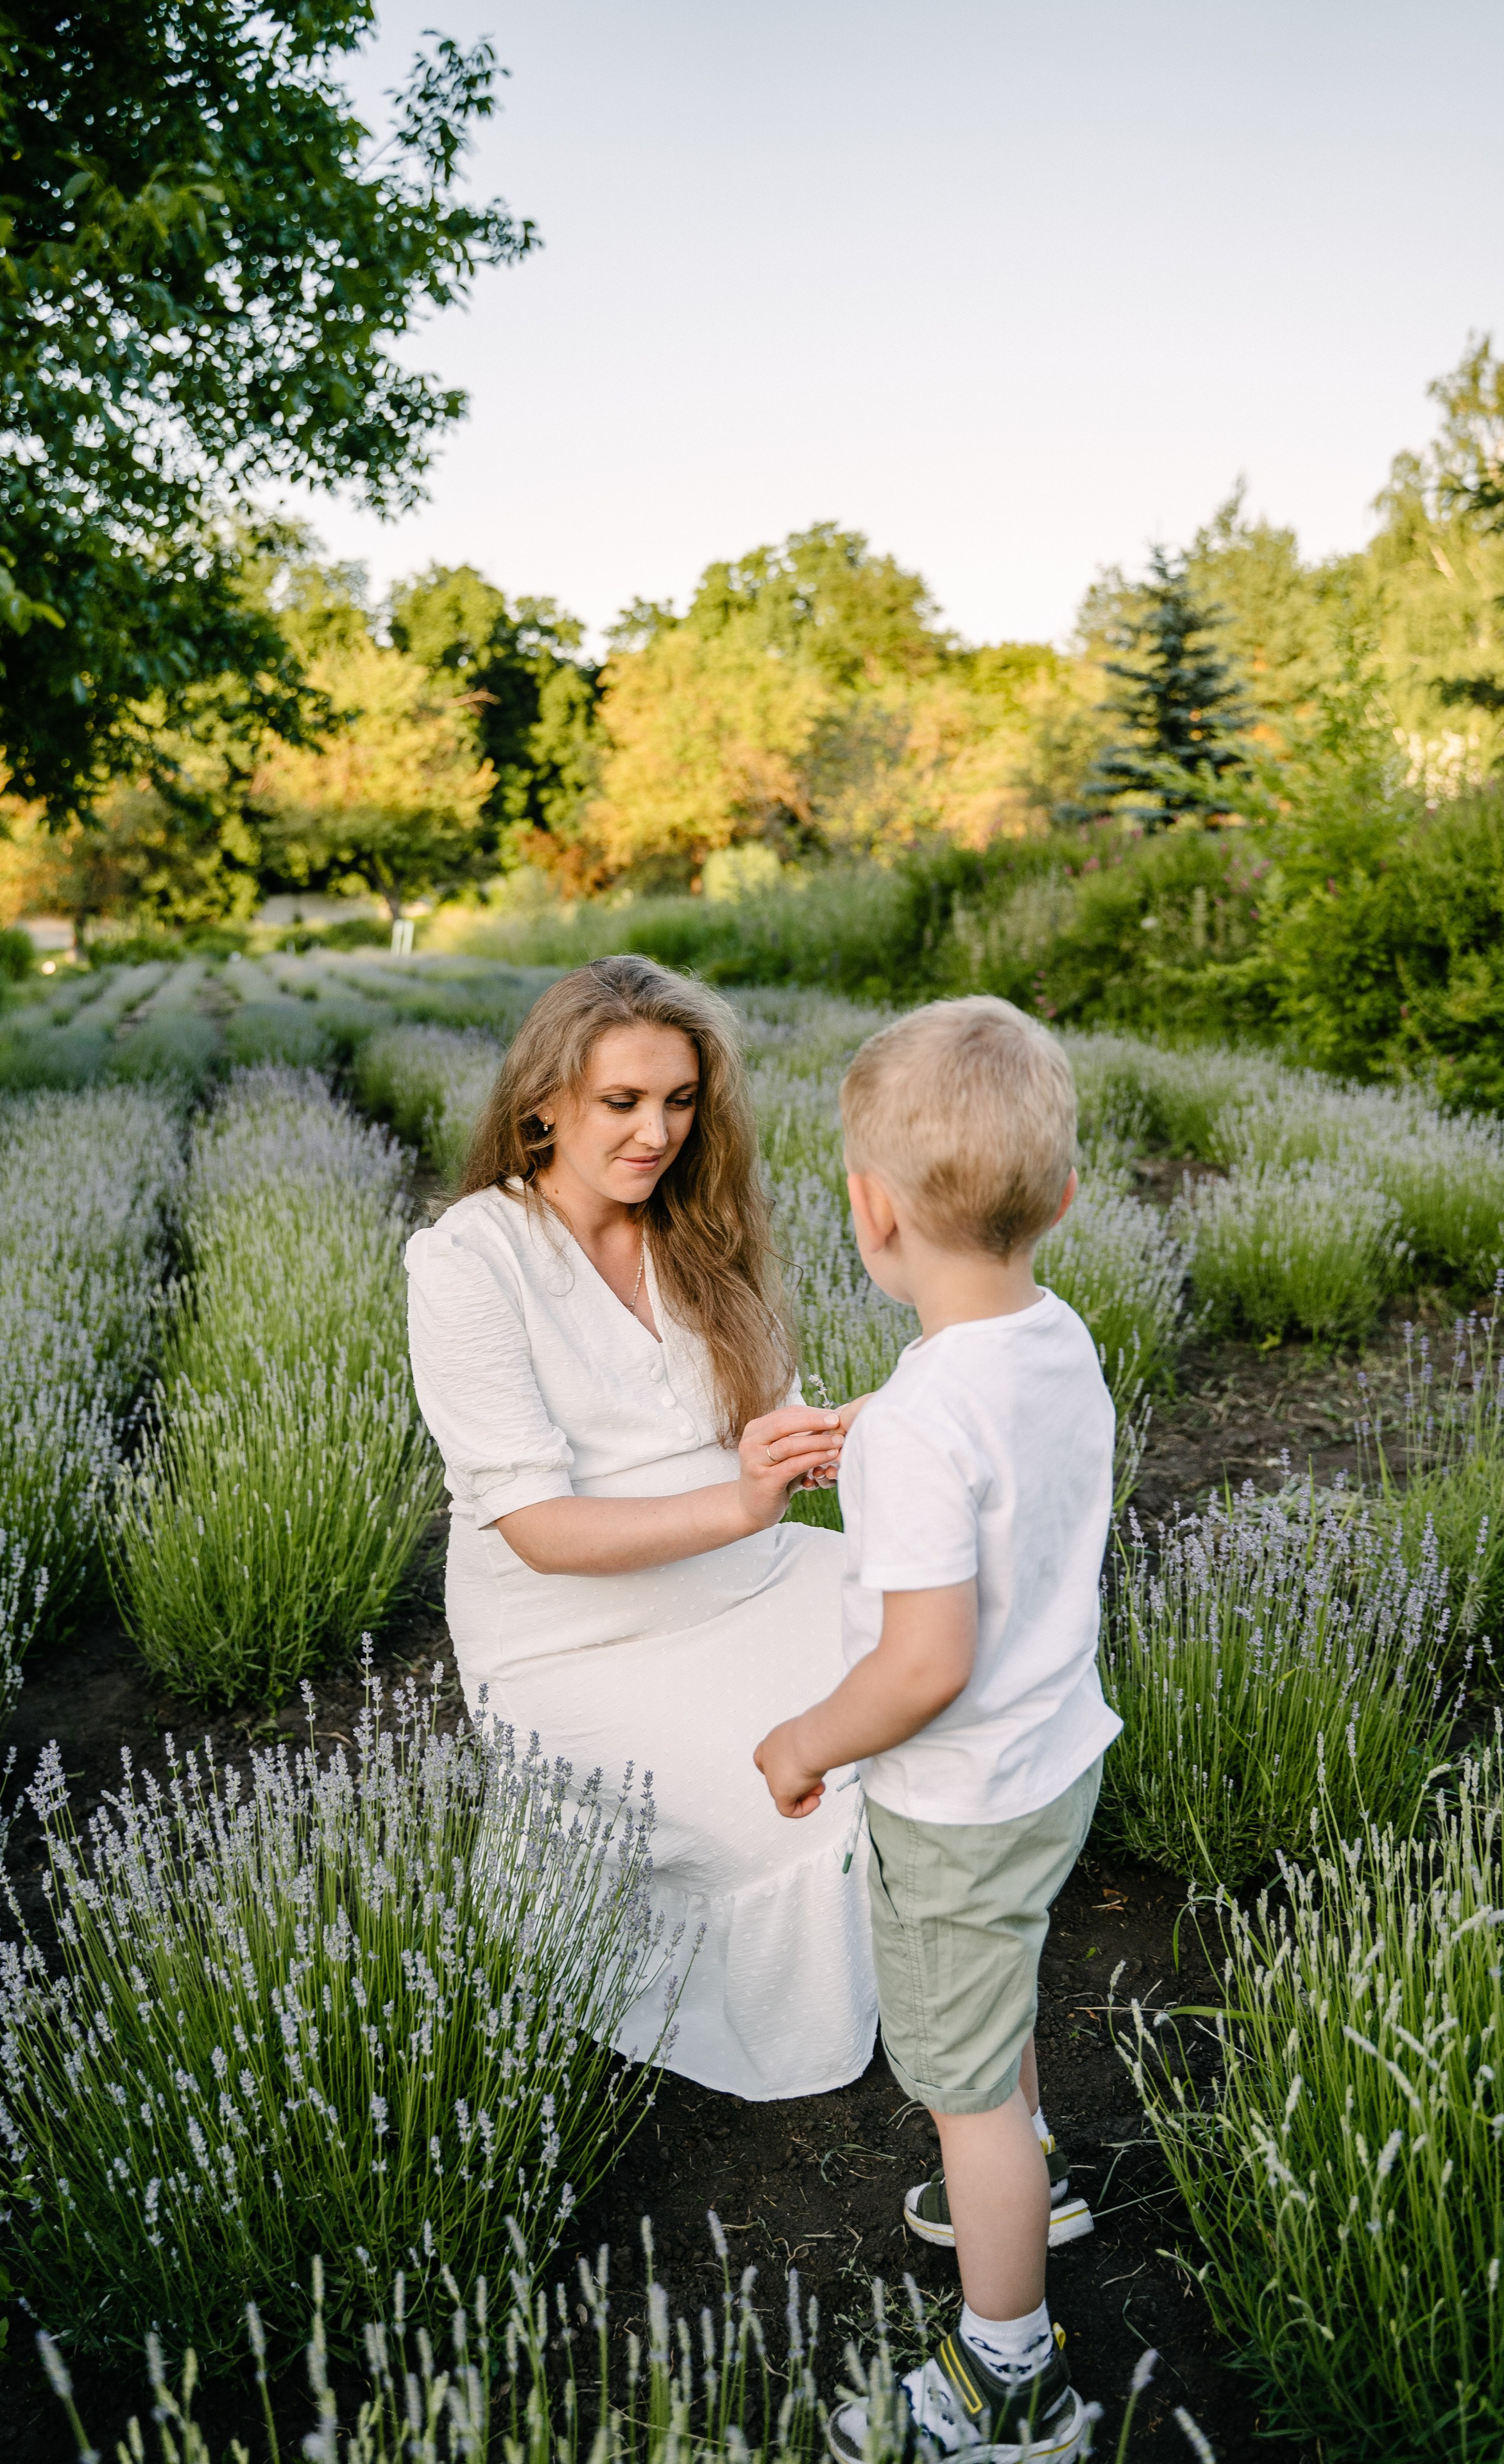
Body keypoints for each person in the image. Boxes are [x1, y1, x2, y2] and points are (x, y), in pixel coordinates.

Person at [404, 955, 878, 2100]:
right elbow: (537, 1528)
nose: (656, 1132)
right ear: (543, 1107)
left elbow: (766, 1424)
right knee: (795, 1817)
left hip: (759, 1576)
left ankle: (940, 1966)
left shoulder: (701, 1230)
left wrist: (848, 1431)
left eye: (679, 1100)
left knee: (950, 1669)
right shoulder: (469, 1258)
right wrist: (744, 1496)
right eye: (622, 1103)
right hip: (580, 1638)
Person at [754, 995, 1118, 2464]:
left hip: (954, 1802)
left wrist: (802, 1742)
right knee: (1001, 2003)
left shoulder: (918, 1424)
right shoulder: (1053, 1337)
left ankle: (1006, 2377)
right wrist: (890, 1442)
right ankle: (1028, 2179)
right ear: (1064, 1200)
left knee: (961, 2089)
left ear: (867, 1210)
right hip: (1048, 1771)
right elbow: (996, 1481)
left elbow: (918, 1665)